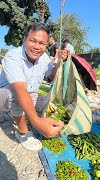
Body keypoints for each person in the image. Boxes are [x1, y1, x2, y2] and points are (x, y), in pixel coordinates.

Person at [0, 22, 64, 151]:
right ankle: (23, 132)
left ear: (46, 45)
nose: (36, 47)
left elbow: (51, 76)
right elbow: (21, 91)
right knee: (15, 96)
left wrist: (60, 62)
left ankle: (24, 116)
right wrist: (36, 122)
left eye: (41, 43)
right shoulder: (13, 57)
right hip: (6, 94)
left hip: (29, 92)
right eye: (32, 41)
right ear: (25, 40)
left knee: (46, 100)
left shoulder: (44, 58)